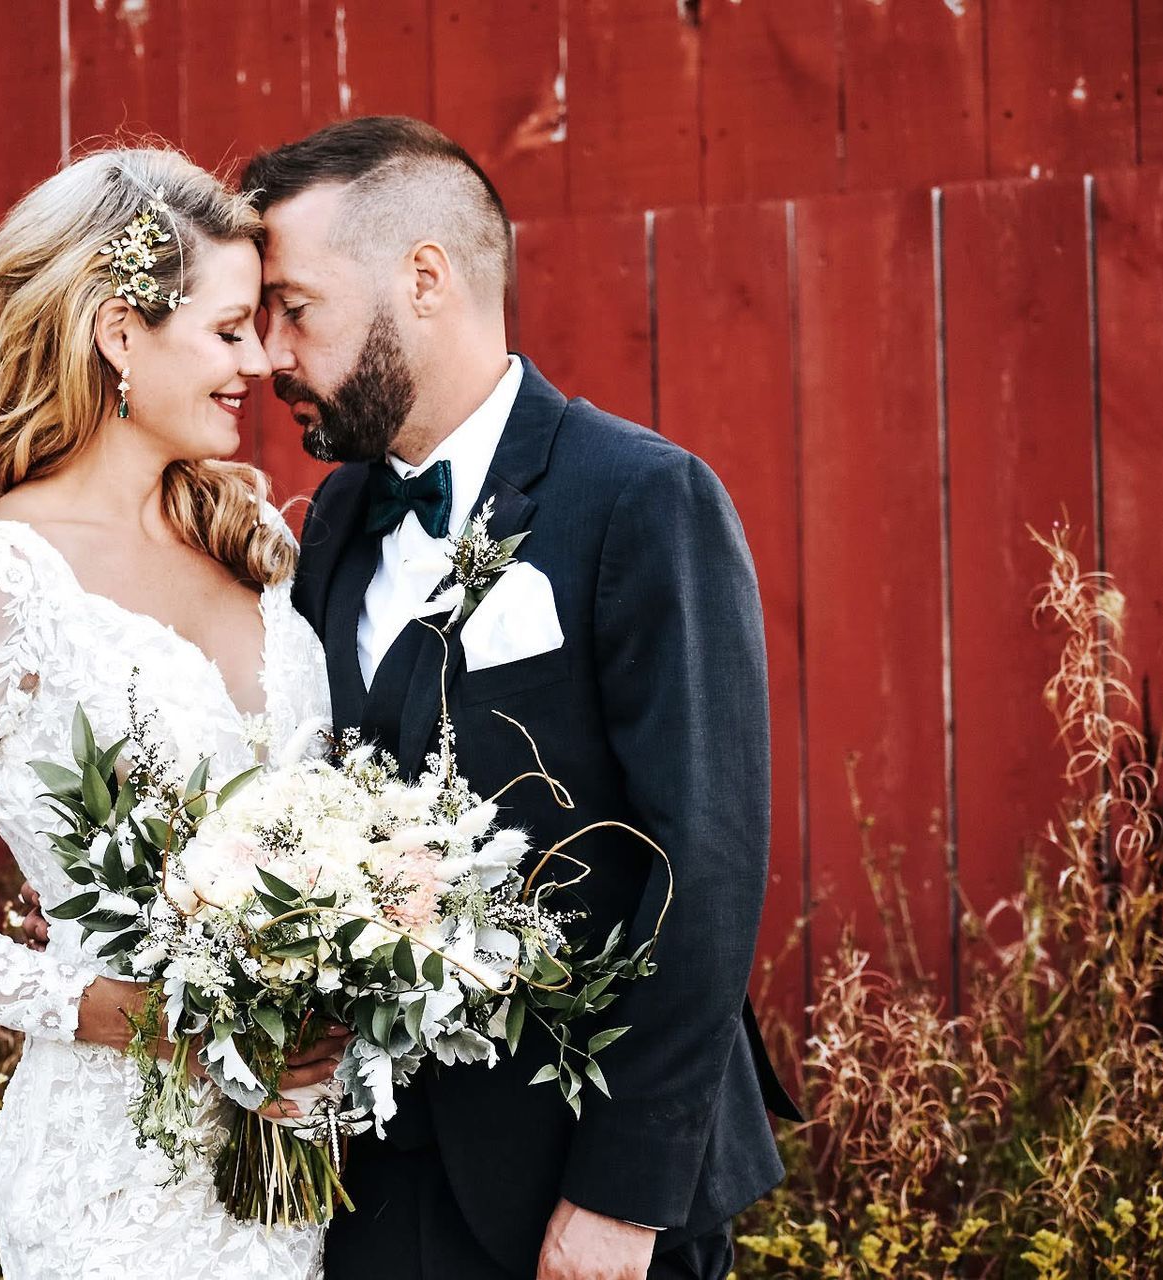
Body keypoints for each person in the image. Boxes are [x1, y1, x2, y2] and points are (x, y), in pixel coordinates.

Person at [245, 116, 802, 1280]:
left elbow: (701, 866)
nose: (270, 354)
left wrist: (621, 1199)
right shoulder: (331, 524)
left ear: (425, 278)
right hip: (379, 1180)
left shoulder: (644, 498)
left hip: (585, 1185)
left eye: (294, 308)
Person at [0, 146, 344, 1280]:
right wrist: (113, 1008)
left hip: (304, 1145)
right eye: (229, 328)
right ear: (118, 333)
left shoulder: (255, 544)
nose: (260, 361)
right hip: (117, 1177)